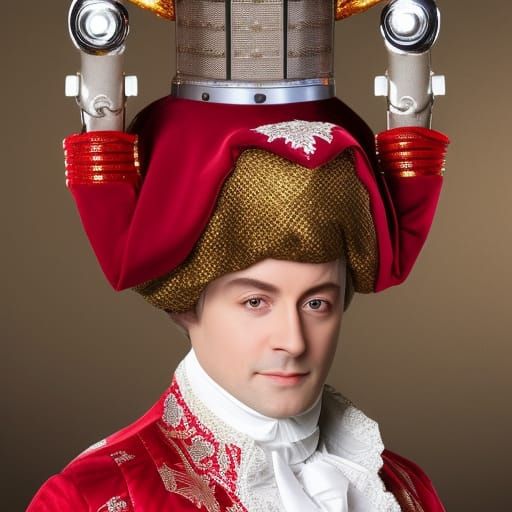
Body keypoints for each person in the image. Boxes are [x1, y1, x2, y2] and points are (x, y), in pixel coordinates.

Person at [29, 0, 450, 510]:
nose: (293, 342)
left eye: (317, 302)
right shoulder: (92, 497)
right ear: (185, 303)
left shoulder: (403, 488)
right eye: (255, 302)